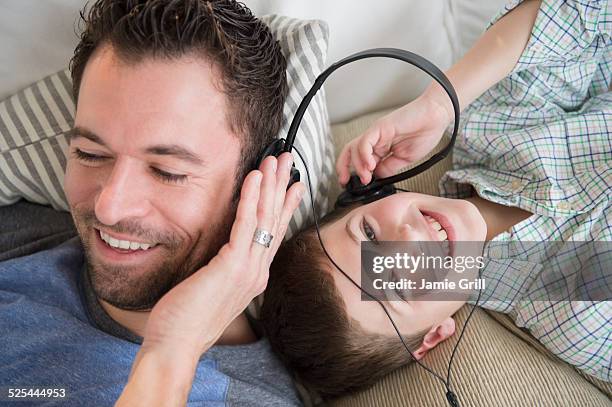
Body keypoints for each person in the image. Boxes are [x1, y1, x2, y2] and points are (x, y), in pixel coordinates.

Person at [260, 0, 611, 398]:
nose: (409, 239)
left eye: (371, 233)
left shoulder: (489, 135)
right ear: (432, 337)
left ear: (368, 195)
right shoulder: (576, 317)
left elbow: (581, 14)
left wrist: (439, 103)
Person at [0, 0, 305, 405]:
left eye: (168, 172)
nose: (110, 207)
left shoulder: (246, 400)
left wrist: (171, 351)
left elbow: (416, 270)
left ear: (260, 186)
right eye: (90, 154)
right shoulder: (24, 237)